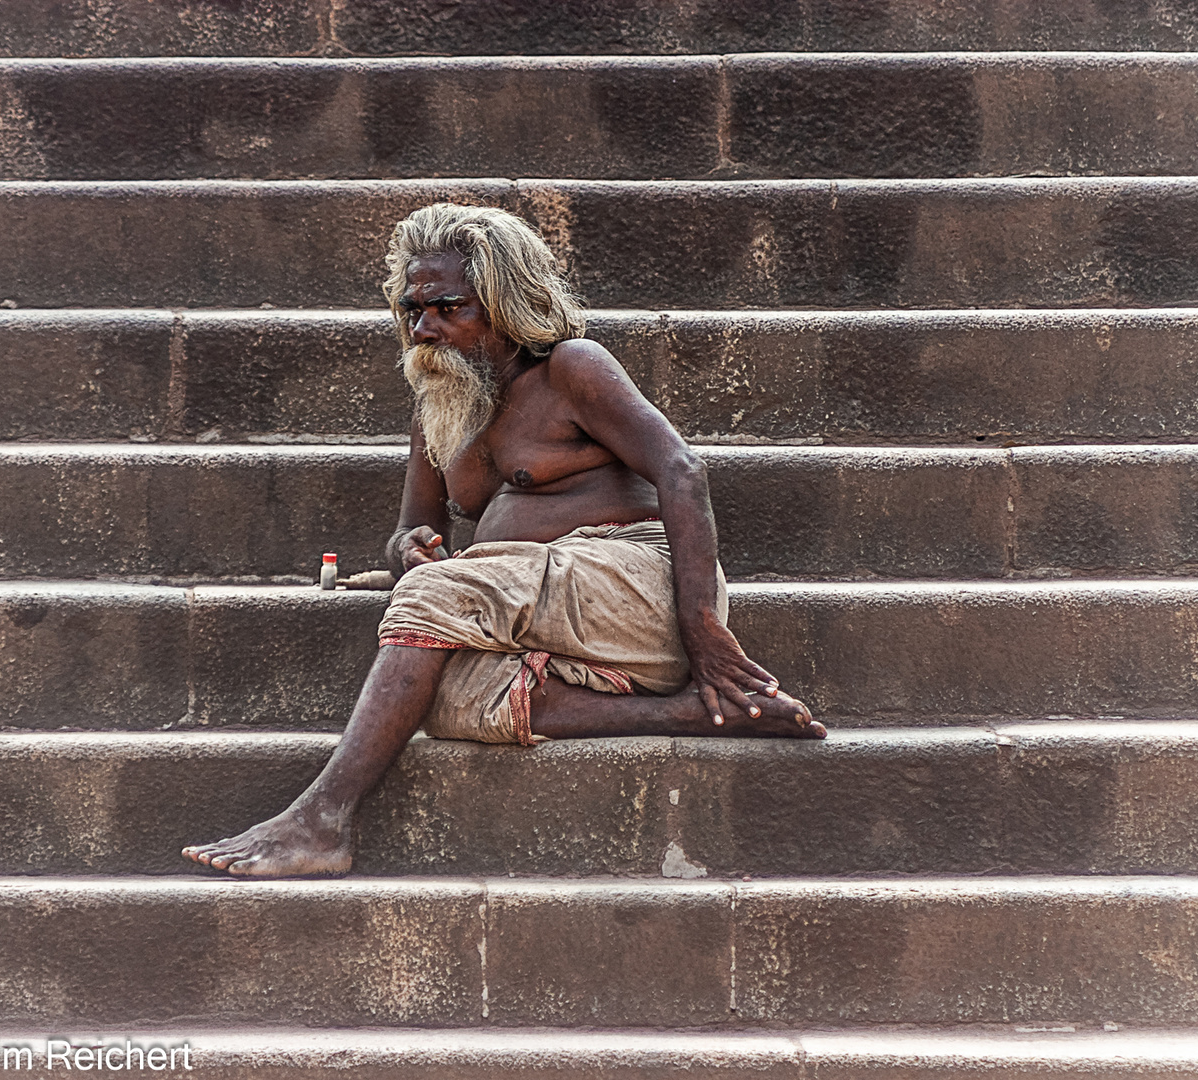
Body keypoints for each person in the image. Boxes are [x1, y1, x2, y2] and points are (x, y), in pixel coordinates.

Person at [183, 203, 823, 878]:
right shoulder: (439, 402)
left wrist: (705, 637)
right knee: (446, 699)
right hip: (547, 612)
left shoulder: (571, 369)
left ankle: (322, 820)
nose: (423, 328)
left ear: (502, 303)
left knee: (431, 600)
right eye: (411, 310)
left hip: (634, 583)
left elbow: (681, 471)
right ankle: (690, 714)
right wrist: (410, 551)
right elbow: (409, 528)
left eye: (446, 308)